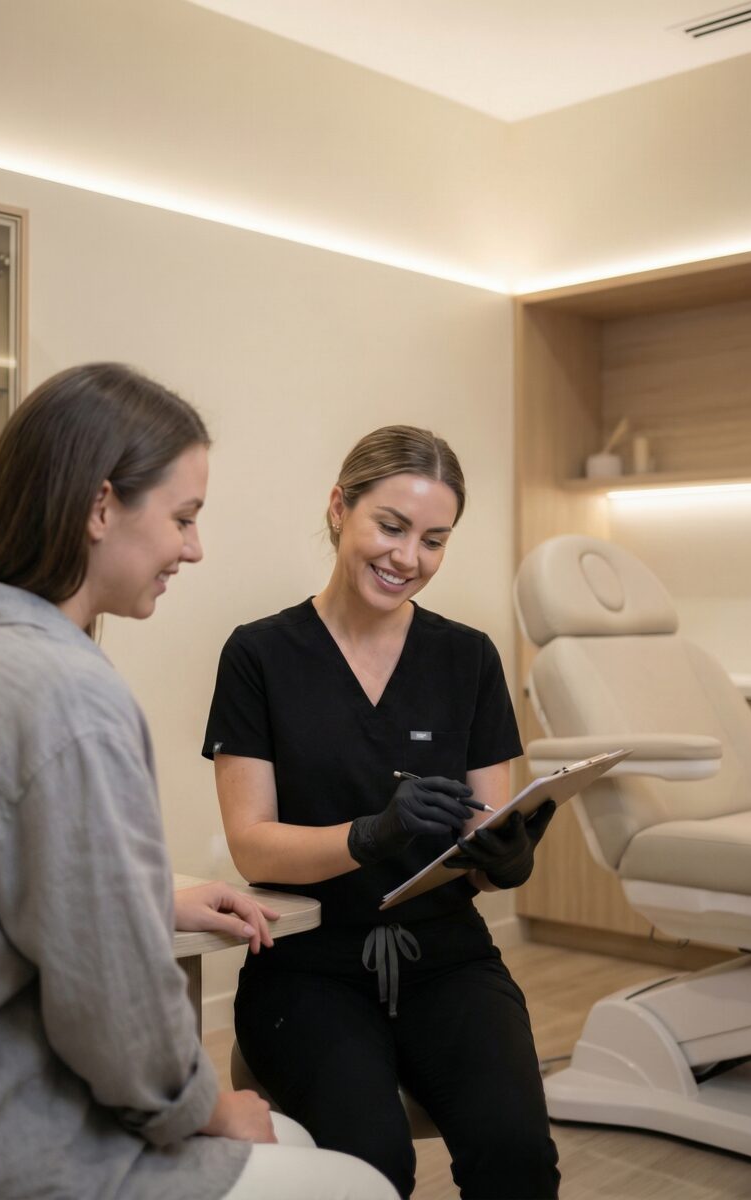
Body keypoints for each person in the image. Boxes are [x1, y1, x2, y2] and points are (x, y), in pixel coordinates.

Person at [0, 364, 396, 1200]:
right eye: (183, 518)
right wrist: (209, 1106)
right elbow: (121, 1023)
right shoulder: (68, 695)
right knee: (356, 1181)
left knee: (297, 1140)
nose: (193, 548)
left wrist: (142, 900)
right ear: (101, 508)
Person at [203, 425, 561, 1200]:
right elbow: (252, 846)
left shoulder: (467, 657)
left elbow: (482, 828)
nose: (408, 558)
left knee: (515, 1156)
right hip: (308, 970)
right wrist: (370, 835)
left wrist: (502, 859)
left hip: (448, 959)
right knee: (369, 1167)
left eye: (433, 541)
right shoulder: (259, 655)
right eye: (390, 527)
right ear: (339, 508)